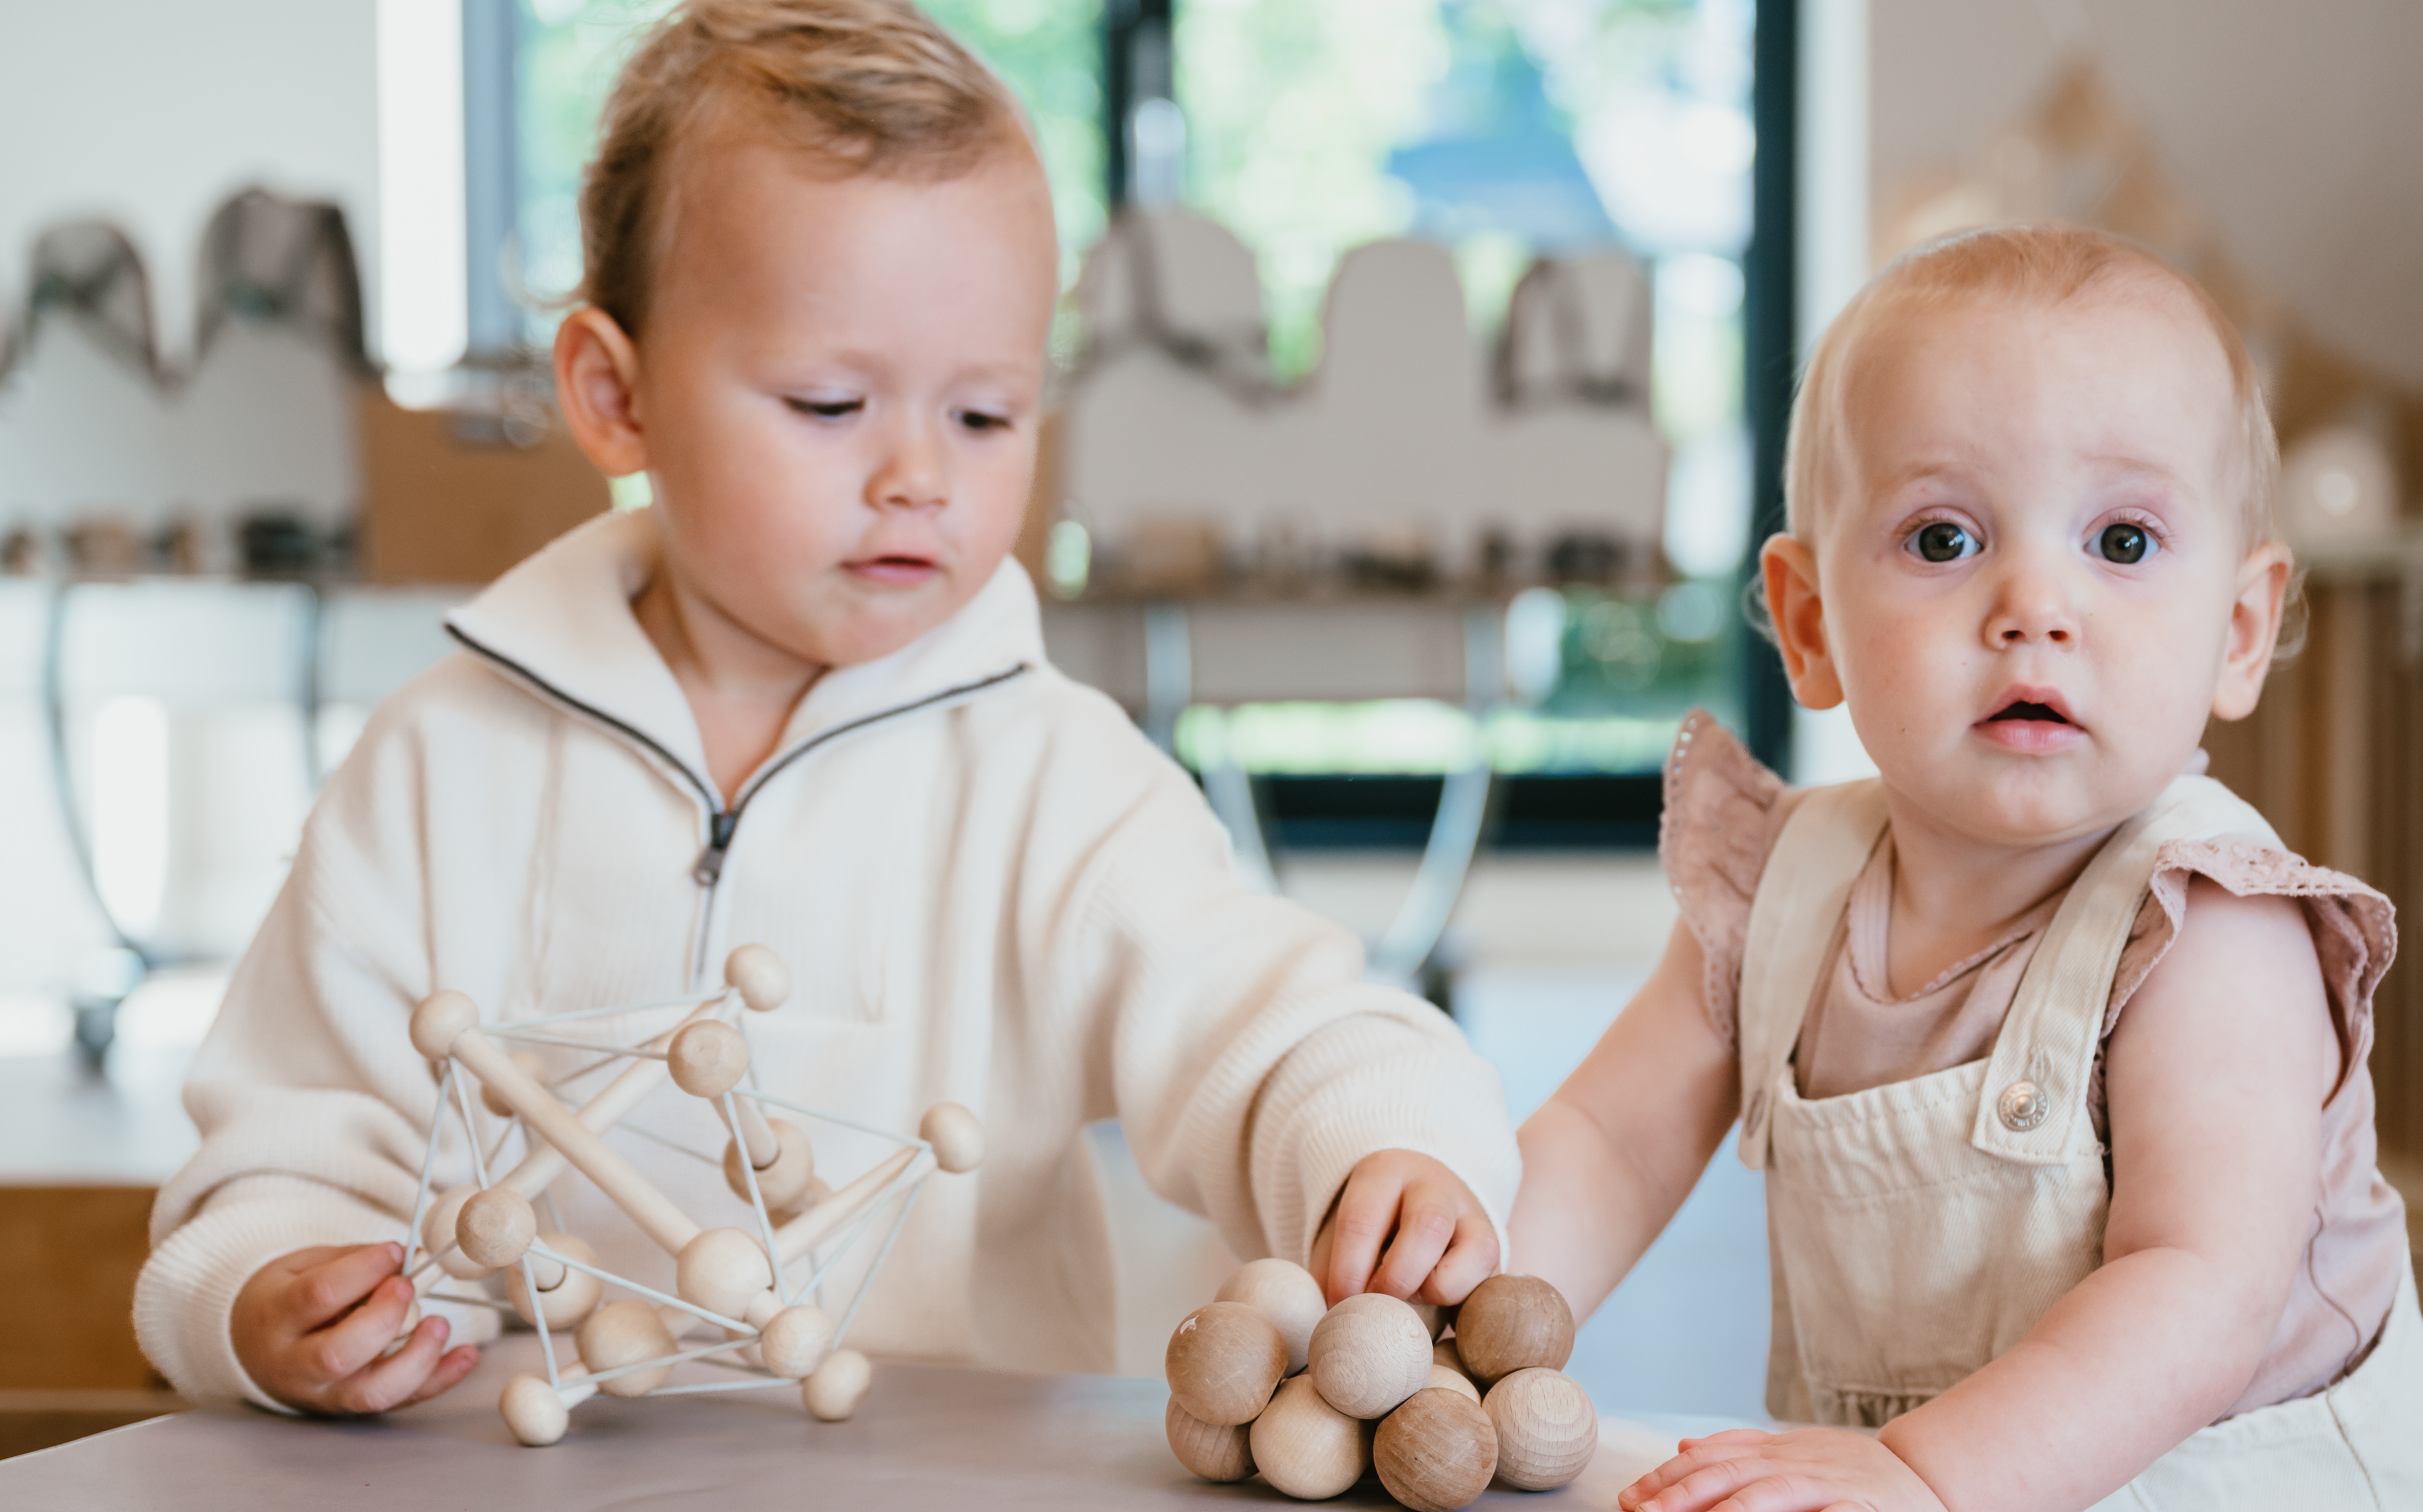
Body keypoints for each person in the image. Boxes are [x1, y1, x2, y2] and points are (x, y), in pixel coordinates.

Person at [137, 0, 1512, 1418]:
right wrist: (262, 1294)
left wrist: (1383, 1148)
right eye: (829, 401)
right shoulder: (440, 762)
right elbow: (281, 1155)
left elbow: (1272, 1023)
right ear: (616, 397)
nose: (918, 473)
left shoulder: (1053, 777)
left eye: (985, 417)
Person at [1508, 225, 2423, 1512]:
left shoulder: (2212, 928)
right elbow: (1604, 1140)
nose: (2036, 606)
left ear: (2241, 629)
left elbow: (2201, 1285)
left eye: (2124, 539)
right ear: (1806, 622)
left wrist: (1931, 1482)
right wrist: (1481, 1319)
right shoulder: (1787, 889)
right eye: (1944, 537)